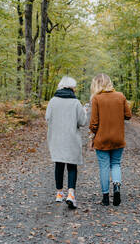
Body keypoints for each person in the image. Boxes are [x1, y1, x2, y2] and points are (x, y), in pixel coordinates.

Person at [89, 73, 132, 206]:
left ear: (97, 84)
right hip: (118, 138)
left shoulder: (97, 98)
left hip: (101, 139)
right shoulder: (120, 96)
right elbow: (128, 115)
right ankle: (117, 188)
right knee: (116, 164)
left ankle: (106, 197)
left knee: (104, 167)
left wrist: (93, 132)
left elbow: (94, 123)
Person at [45, 76, 87, 209]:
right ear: (71, 87)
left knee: (59, 163)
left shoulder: (53, 101)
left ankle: (59, 194)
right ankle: (70, 194)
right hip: (71, 138)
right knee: (72, 166)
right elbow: (82, 122)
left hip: (56, 137)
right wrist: (84, 112)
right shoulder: (76, 102)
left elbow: (47, 118)